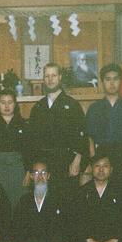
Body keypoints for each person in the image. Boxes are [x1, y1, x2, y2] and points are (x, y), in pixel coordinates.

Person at [27, 62, 87, 194]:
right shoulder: (38, 107)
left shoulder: (72, 105)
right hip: (43, 164)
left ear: (60, 77)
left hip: (66, 162)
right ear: (43, 79)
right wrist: (31, 167)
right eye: (47, 76)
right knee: (44, 202)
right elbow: (31, 139)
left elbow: (82, 135)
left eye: (53, 75)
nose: (50, 79)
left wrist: (77, 160)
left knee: (67, 202)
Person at [8, 158, 76, 242]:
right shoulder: (24, 201)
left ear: (48, 176)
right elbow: (16, 226)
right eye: (36, 173)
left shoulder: (60, 200)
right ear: (30, 176)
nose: (40, 177)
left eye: (43, 173)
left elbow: (69, 224)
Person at [84, 63, 122, 189]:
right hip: (102, 156)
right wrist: (94, 160)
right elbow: (89, 137)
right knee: (102, 194)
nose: (112, 83)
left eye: (115, 79)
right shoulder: (94, 108)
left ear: (120, 81)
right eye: (108, 79)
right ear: (102, 82)